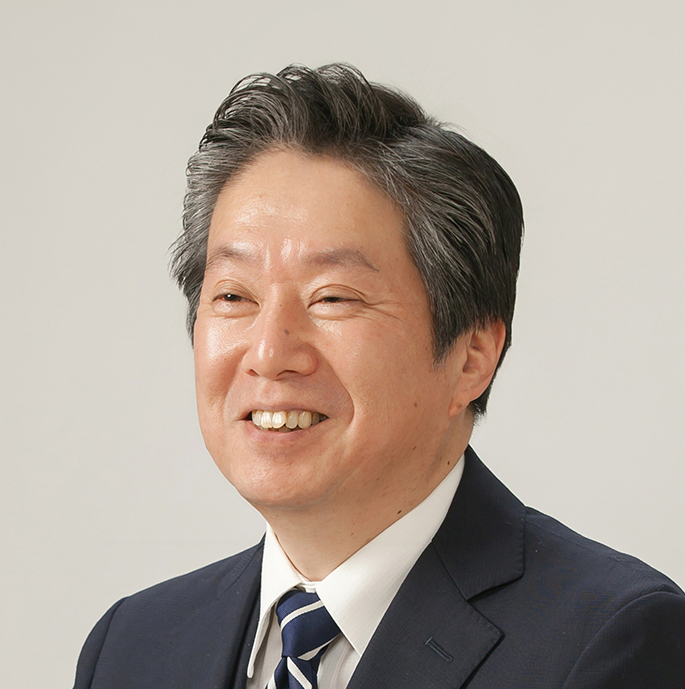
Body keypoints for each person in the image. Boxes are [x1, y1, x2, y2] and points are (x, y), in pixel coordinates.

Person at [73, 64, 685, 689]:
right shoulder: (131, 647)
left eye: (333, 298)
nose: (269, 352)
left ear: (472, 356)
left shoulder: (612, 641)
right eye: (233, 296)